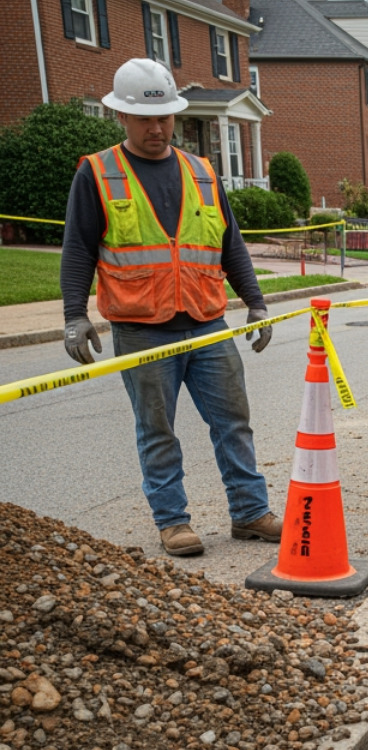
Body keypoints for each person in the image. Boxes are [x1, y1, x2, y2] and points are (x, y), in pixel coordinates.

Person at [61, 58, 279, 558]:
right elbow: (77, 250)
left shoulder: (202, 172)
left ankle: (249, 512)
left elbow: (231, 245)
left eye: (164, 118)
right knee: (157, 430)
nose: (157, 128)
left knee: (234, 422)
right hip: (142, 327)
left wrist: (257, 302)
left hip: (207, 322)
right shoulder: (98, 173)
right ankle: (173, 521)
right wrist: (75, 315)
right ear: (122, 116)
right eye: (145, 119)